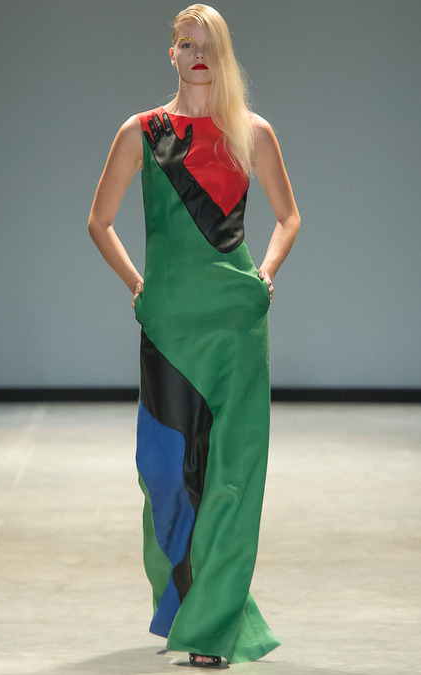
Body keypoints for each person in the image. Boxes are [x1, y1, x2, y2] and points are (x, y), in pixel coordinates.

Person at [88, 3, 300, 668]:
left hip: (236, 327)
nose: (198, 54)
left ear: (223, 54)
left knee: (232, 475)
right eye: (187, 43)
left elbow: (289, 217)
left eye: (209, 44)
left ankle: (210, 630)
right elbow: (99, 221)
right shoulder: (142, 132)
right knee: (163, 471)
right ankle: (190, 601)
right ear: (171, 53)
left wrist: (265, 273)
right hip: (171, 325)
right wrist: (138, 285)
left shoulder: (252, 133)